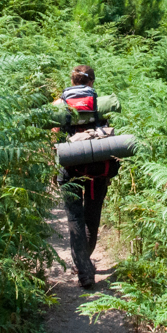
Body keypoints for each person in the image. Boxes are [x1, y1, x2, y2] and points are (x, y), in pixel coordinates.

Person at [53, 65, 121, 288]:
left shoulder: (60, 105)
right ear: (91, 82)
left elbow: (54, 136)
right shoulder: (99, 104)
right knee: (92, 215)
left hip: (71, 168)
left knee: (75, 218)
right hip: (97, 170)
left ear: (72, 81)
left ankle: (83, 269)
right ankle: (85, 261)